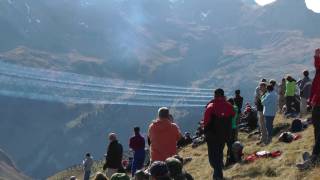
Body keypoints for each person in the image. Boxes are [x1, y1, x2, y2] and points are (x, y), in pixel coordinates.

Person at [203, 88, 235, 179]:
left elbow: (206, 122)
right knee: (219, 153)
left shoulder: (211, 106)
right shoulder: (229, 105)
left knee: (213, 157)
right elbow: (232, 114)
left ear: (215, 95)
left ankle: (218, 175)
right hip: (224, 135)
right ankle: (218, 173)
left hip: (212, 136)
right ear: (223, 95)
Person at [297, 48, 320, 170]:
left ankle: (313, 159)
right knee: (317, 129)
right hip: (317, 105)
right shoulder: (318, 73)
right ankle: (316, 155)